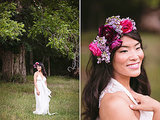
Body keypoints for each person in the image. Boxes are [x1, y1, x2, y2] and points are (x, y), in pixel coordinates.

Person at [82, 16, 160, 120]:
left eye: (137, 48)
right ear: (108, 58)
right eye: (124, 51)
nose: (135, 57)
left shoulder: (131, 90)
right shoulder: (115, 104)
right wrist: (158, 109)